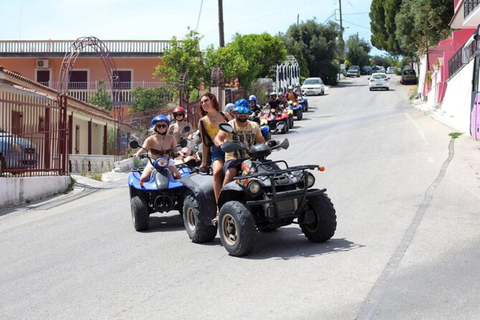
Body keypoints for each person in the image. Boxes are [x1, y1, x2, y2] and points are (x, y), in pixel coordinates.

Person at [214, 99, 269, 186]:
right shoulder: (230, 125)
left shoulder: (254, 126)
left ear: (248, 113)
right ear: (234, 113)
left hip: (250, 159)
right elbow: (217, 138)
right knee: (229, 173)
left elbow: (261, 141)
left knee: (270, 168)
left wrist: (268, 144)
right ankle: (224, 196)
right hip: (233, 160)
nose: (242, 114)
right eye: (239, 111)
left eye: (245, 111)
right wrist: (221, 144)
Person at [198, 92, 229, 205]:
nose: (204, 104)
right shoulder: (202, 122)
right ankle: (219, 206)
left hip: (232, 148)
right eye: (201, 102)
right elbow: (205, 144)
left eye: (206, 100)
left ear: (213, 100)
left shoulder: (226, 115)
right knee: (216, 173)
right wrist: (204, 162)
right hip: (217, 151)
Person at [135, 115, 182, 183]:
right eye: (159, 126)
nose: (161, 127)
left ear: (167, 127)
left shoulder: (171, 138)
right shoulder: (150, 139)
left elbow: (176, 149)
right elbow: (144, 149)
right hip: (153, 162)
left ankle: (179, 193)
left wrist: (179, 152)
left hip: (168, 162)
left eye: (163, 125)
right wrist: (138, 154)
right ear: (155, 127)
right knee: (143, 178)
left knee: (178, 176)